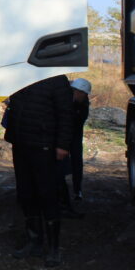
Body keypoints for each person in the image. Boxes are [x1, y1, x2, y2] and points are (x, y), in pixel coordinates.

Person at [3, 74, 73, 267]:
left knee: (48, 195)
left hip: (45, 146)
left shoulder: (57, 79)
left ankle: (53, 249)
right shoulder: (20, 76)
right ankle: (34, 242)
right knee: (26, 194)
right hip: (21, 144)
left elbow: (66, 115)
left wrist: (63, 145)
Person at [58, 78, 91, 218]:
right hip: (62, 134)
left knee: (77, 160)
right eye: (82, 94)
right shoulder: (64, 97)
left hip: (75, 134)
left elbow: (77, 121)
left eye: (85, 95)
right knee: (60, 161)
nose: (83, 96)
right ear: (76, 91)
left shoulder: (84, 105)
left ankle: (77, 189)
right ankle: (60, 189)